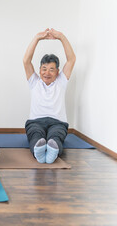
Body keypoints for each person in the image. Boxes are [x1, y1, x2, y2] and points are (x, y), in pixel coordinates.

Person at [23, 28, 76, 164]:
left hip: (57, 122)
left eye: (51, 69)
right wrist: (37, 38)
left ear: (58, 72)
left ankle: (53, 150)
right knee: (35, 135)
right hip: (35, 121)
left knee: (56, 136)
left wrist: (61, 37)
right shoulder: (34, 82)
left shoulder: (61, 82)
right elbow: (26, 61)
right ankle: (38, 151)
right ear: (39, 70)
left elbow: (71, 59)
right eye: (44, 69)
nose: (47, 73)